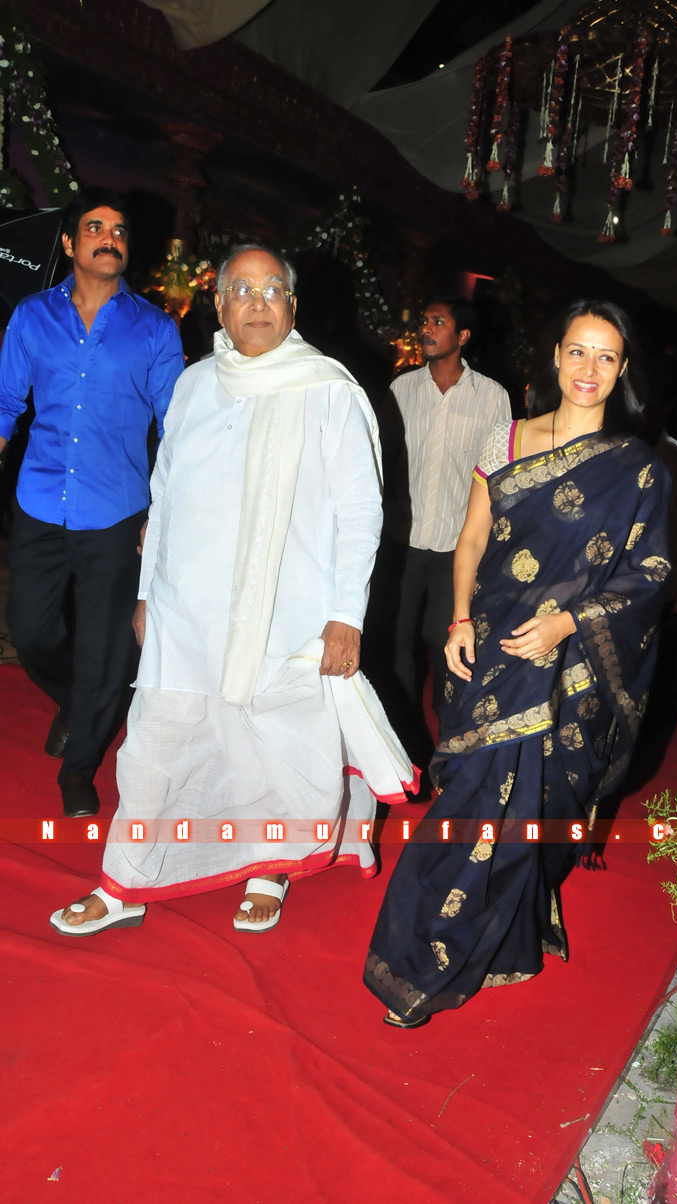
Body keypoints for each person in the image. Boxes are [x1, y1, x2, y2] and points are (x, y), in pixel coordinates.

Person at [50, 244, 415, 937]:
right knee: (154, 743)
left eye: (272, 290)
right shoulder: (193, 386)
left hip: (288, 610)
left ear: (292, 307)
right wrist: (147, 593)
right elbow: (164, 494)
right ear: (218, 305)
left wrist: (346, 615)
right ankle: (124, 880)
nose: (257, 303)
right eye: (241, 290)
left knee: (273, 745)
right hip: (185, 607)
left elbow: (361, 511)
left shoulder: (328, 390)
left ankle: (269, 866)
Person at [364, 300, 671, 1027]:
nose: (589, 368)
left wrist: (569, 622)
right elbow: (471, 540)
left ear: (622, 369)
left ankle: (490, 938)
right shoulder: (505, 439)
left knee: (539, 805)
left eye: (605, 356)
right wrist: (458, 619)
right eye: (577, 351)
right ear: (556, 356)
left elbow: (651, 574)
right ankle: (422, 958)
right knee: (471, 794)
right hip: (493, 647)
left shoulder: (639, 469)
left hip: (570, 666)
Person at [0, 188, 185, 817]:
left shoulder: (156, 328)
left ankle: (79, 766)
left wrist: (164, 512)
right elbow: (6, 404)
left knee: (106, 650)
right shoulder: (31, 316)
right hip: (39, 500)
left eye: (120, 230)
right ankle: (78, 704)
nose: (110, 238)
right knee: (31, 631)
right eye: (95, 227)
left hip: (118, 513)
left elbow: (176, 430)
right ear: (69, 243)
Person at [376, 295, 511, 766]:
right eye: (424, 321)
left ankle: (450, 750)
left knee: (446, 649)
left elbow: (500, 477)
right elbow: (381, 460)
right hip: (401, 543)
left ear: (463, 335)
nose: (426, 329)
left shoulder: (491, 396)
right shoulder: (401, 389)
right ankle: (404, 749)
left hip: (458, 548)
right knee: (396, 651)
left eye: (438, 321)